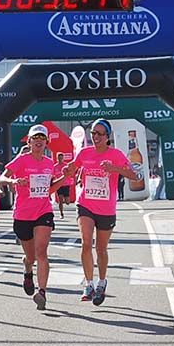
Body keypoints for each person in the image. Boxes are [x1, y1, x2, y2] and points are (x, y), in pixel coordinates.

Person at [64, 118, 138, 305]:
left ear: (107, 137)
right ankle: (88, 284)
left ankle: (102, 282)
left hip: (106, 208)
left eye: (99, 134)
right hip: (86, 204)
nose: (95, 137)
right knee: (86, 242)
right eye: (93, 133)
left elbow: (134, 175)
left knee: (101, 248)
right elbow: (73, 167)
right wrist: (68, 169)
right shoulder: (84, 153)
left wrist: (113, 169)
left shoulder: (117, 155)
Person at [0, 125, 60, 311]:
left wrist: (64, 178)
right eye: (35, 137)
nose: (39, 140)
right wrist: (13, 181)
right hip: (23, 214)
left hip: (44, 210)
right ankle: (27, 269)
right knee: (31, 256)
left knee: (41, 252)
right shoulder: (22, 160)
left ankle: (42, 292)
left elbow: (49, 189)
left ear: (46, 142)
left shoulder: (49, 163)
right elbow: (1, 178)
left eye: (42, 137)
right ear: (30, 141)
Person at [52, 151, 71, 219]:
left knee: (67, 202)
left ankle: (66, 200)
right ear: (57, 158)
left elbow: (70, 174)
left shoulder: (66, 165)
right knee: (60, 200)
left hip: (66, 184)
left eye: (61, 158)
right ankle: (61, 214)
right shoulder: (55, 166)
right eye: (59, 158)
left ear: (63, 158)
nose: (60, 159)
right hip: (58, 185)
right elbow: (53, 175)